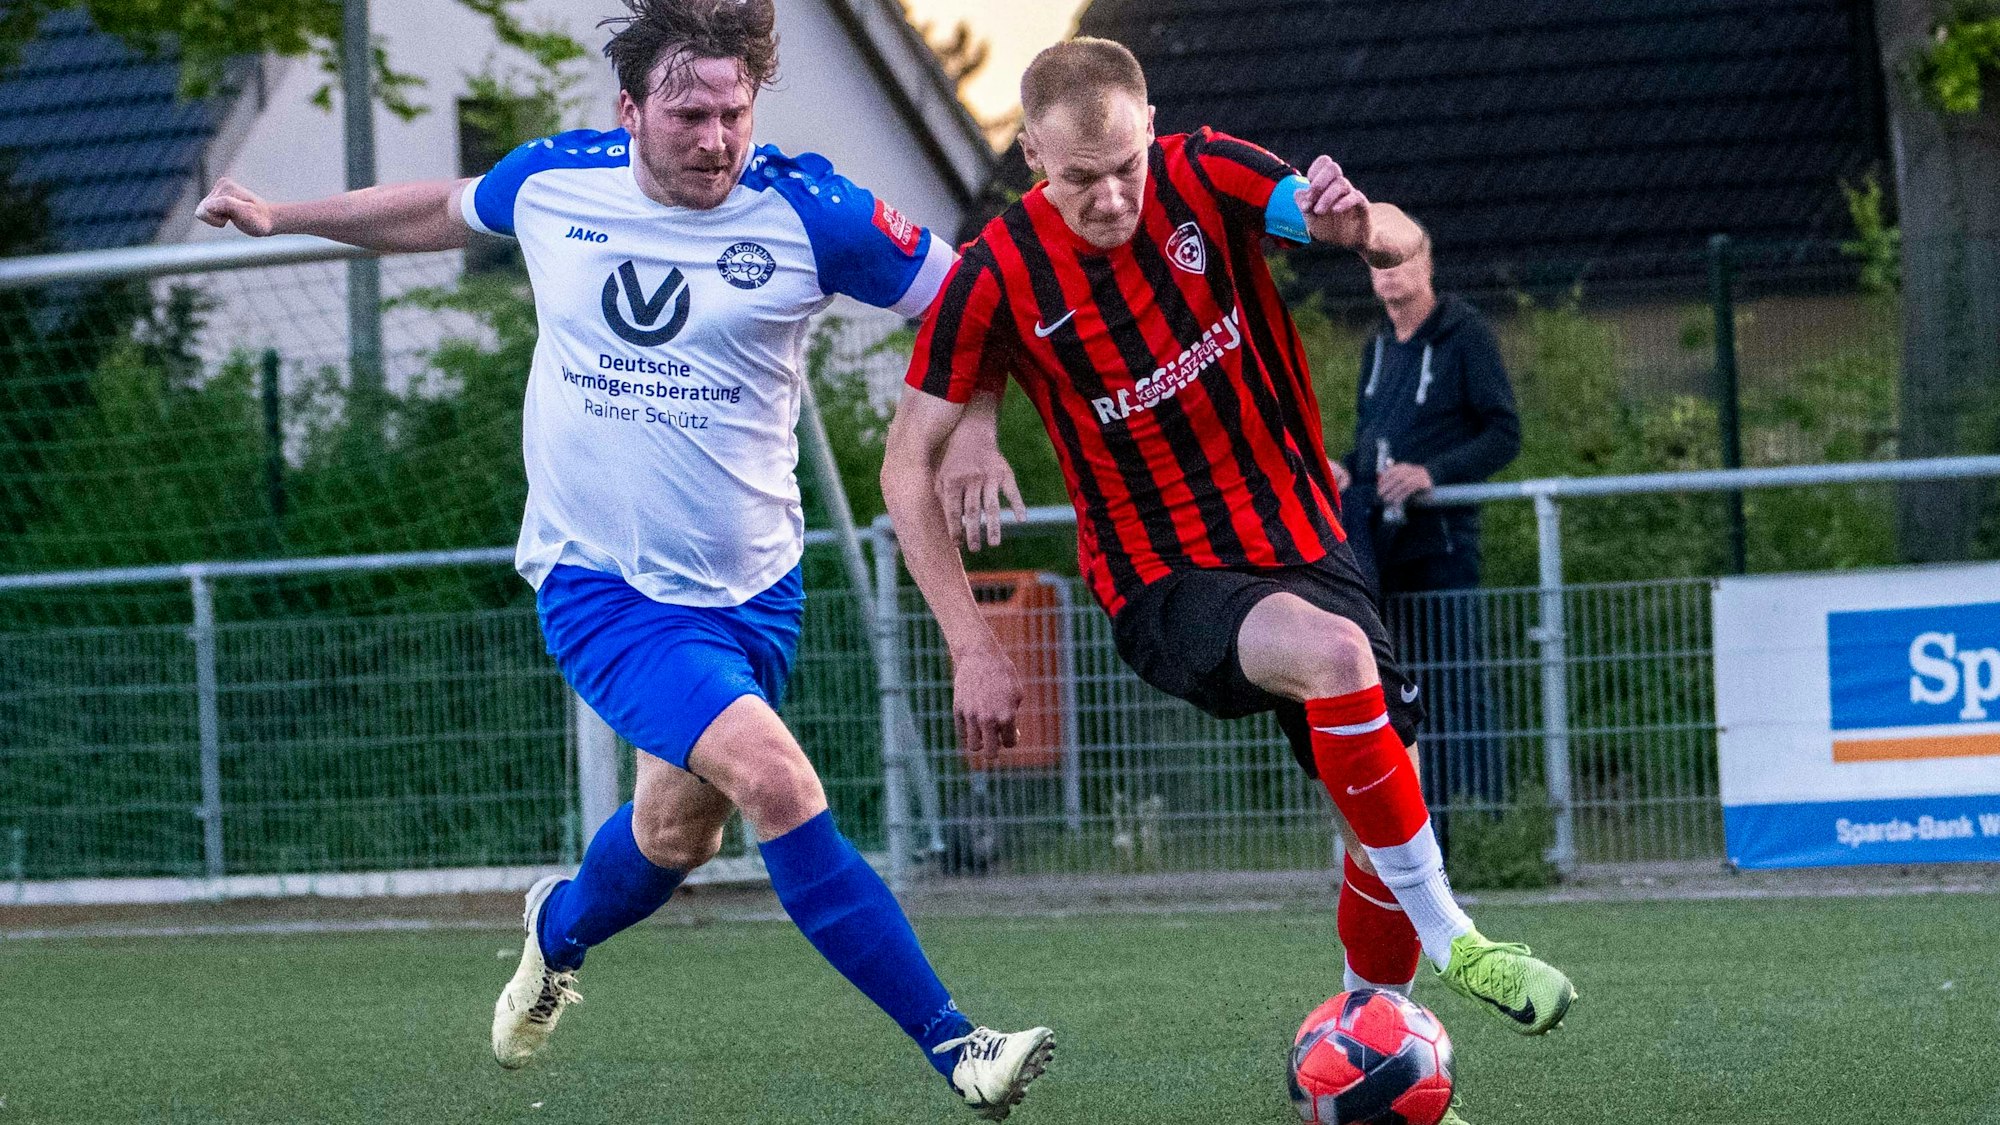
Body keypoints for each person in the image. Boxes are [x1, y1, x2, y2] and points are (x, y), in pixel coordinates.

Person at [195, 2, 1052, 1117]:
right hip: (601, 586)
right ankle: (955, 1045)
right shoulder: (557, 183)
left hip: (753, 589)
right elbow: (435, 211)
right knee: (777, 781)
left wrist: (974, 424)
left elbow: (972, 303)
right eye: (688, 112)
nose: (713, 138)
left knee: (673, 831)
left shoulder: (813, 210)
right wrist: (277, 213)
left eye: (732, 112)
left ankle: (556, 930)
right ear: (631, 110)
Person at [880, 39, 1572, 1122]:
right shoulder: (995, 274)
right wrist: (969, 641)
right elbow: (899, 468)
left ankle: (1368, 1042)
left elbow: (1371, 227)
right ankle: (1459, 942)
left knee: (1382, 814)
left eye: (1124, 166)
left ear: (1151, 128)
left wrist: (1355, 221)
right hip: (1163, 577)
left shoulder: (1210, 173)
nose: (1108, 197)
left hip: (1306, 539)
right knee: (1335, 661)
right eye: (1077, 179)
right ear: (1029, 161)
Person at [1331, 246, 1521, 840]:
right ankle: (1421, 828)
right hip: (1380, 548)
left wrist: (1431, 474)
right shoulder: (1378, 345)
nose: (1388, 274)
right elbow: (1372, 436)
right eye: (1377, 265)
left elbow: (1503, 434)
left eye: (1399, 261)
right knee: (1394, 690)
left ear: (1428, 265)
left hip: (1440, 543)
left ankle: (1489, 828)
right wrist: (1347, 469)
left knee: (1458, 682)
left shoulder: (1466, 336)